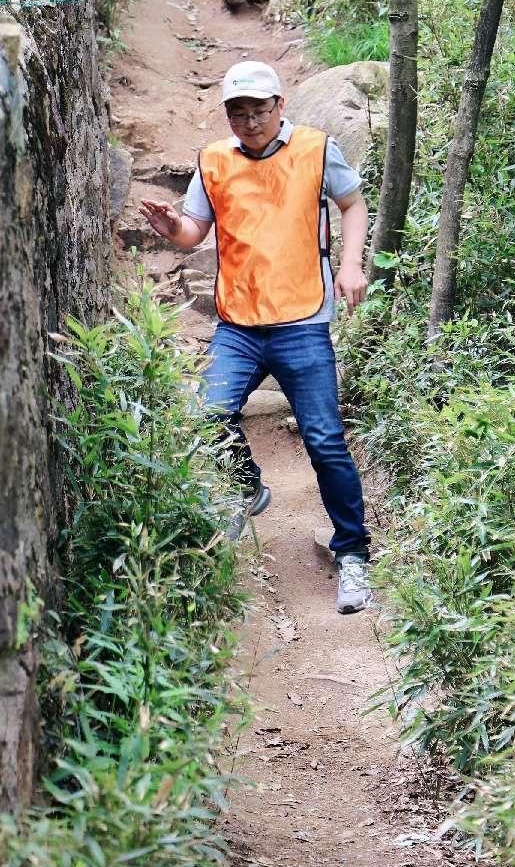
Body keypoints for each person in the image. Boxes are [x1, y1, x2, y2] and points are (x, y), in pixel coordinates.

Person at [139, 60, 373, 614]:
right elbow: (195, 232)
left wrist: (351, 264)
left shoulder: (316, 149)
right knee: (208, 413)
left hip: (302, 320)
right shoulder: (214, 162)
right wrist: (172, 228)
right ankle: (249, 489)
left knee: (323, 440)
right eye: (238, 112)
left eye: (259, 110)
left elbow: (353, 203)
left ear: (280, 105)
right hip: (239, 324)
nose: (249, 121)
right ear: (227, 114)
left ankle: (353, 555)